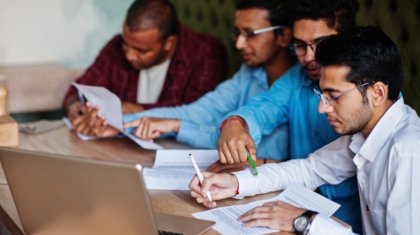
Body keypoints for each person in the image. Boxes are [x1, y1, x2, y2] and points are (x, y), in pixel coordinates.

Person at [190, 26, 420, 235]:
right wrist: (234, 183)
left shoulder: (409, 152)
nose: (322, 107)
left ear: (377, 93)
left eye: (334, 96)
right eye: (322, 95)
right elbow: (308, 170)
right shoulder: (366, 134)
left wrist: (304, 221)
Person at [215, 0, 362, 232]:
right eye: (300, 46)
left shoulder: (368, 94)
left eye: (321, 44)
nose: (308, 57)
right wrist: (236, 123)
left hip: (343, 222)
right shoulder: (295, 78)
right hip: (291, 208)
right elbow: (263, 108)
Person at [95, 0, 297, 165]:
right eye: (237, 33)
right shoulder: (248, 74)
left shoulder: (302, 84)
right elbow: (196, 112)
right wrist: (120, 123)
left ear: (284, 36)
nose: (238, 44)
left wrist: (177, 127)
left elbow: (242, 145)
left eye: (250, 34)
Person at [63, 0, 227, 136]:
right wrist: (76, 107)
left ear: (168, 43)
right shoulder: (116, 46)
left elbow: (199, 114)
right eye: (126, 45)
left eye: (141, 50)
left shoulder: (206, 53)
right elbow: (79, 89)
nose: (129, 55)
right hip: (118, 149)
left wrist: (138, 110)